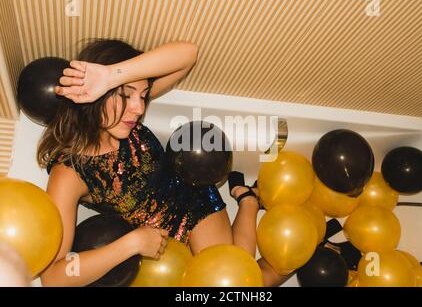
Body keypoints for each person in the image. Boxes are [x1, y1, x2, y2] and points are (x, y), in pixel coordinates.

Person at [38, 39, 293, 287]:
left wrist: (112, 76)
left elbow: (188, 53)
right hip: (159, 239)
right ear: (92, 94)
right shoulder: (69, 172)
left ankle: (248, 202)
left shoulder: (123, 115)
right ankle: (251, 200)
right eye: (126, 95)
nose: (138, 108)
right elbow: (54, 278)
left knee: (239, 281)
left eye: (144, 95)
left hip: (192, 196)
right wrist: (132, 243)